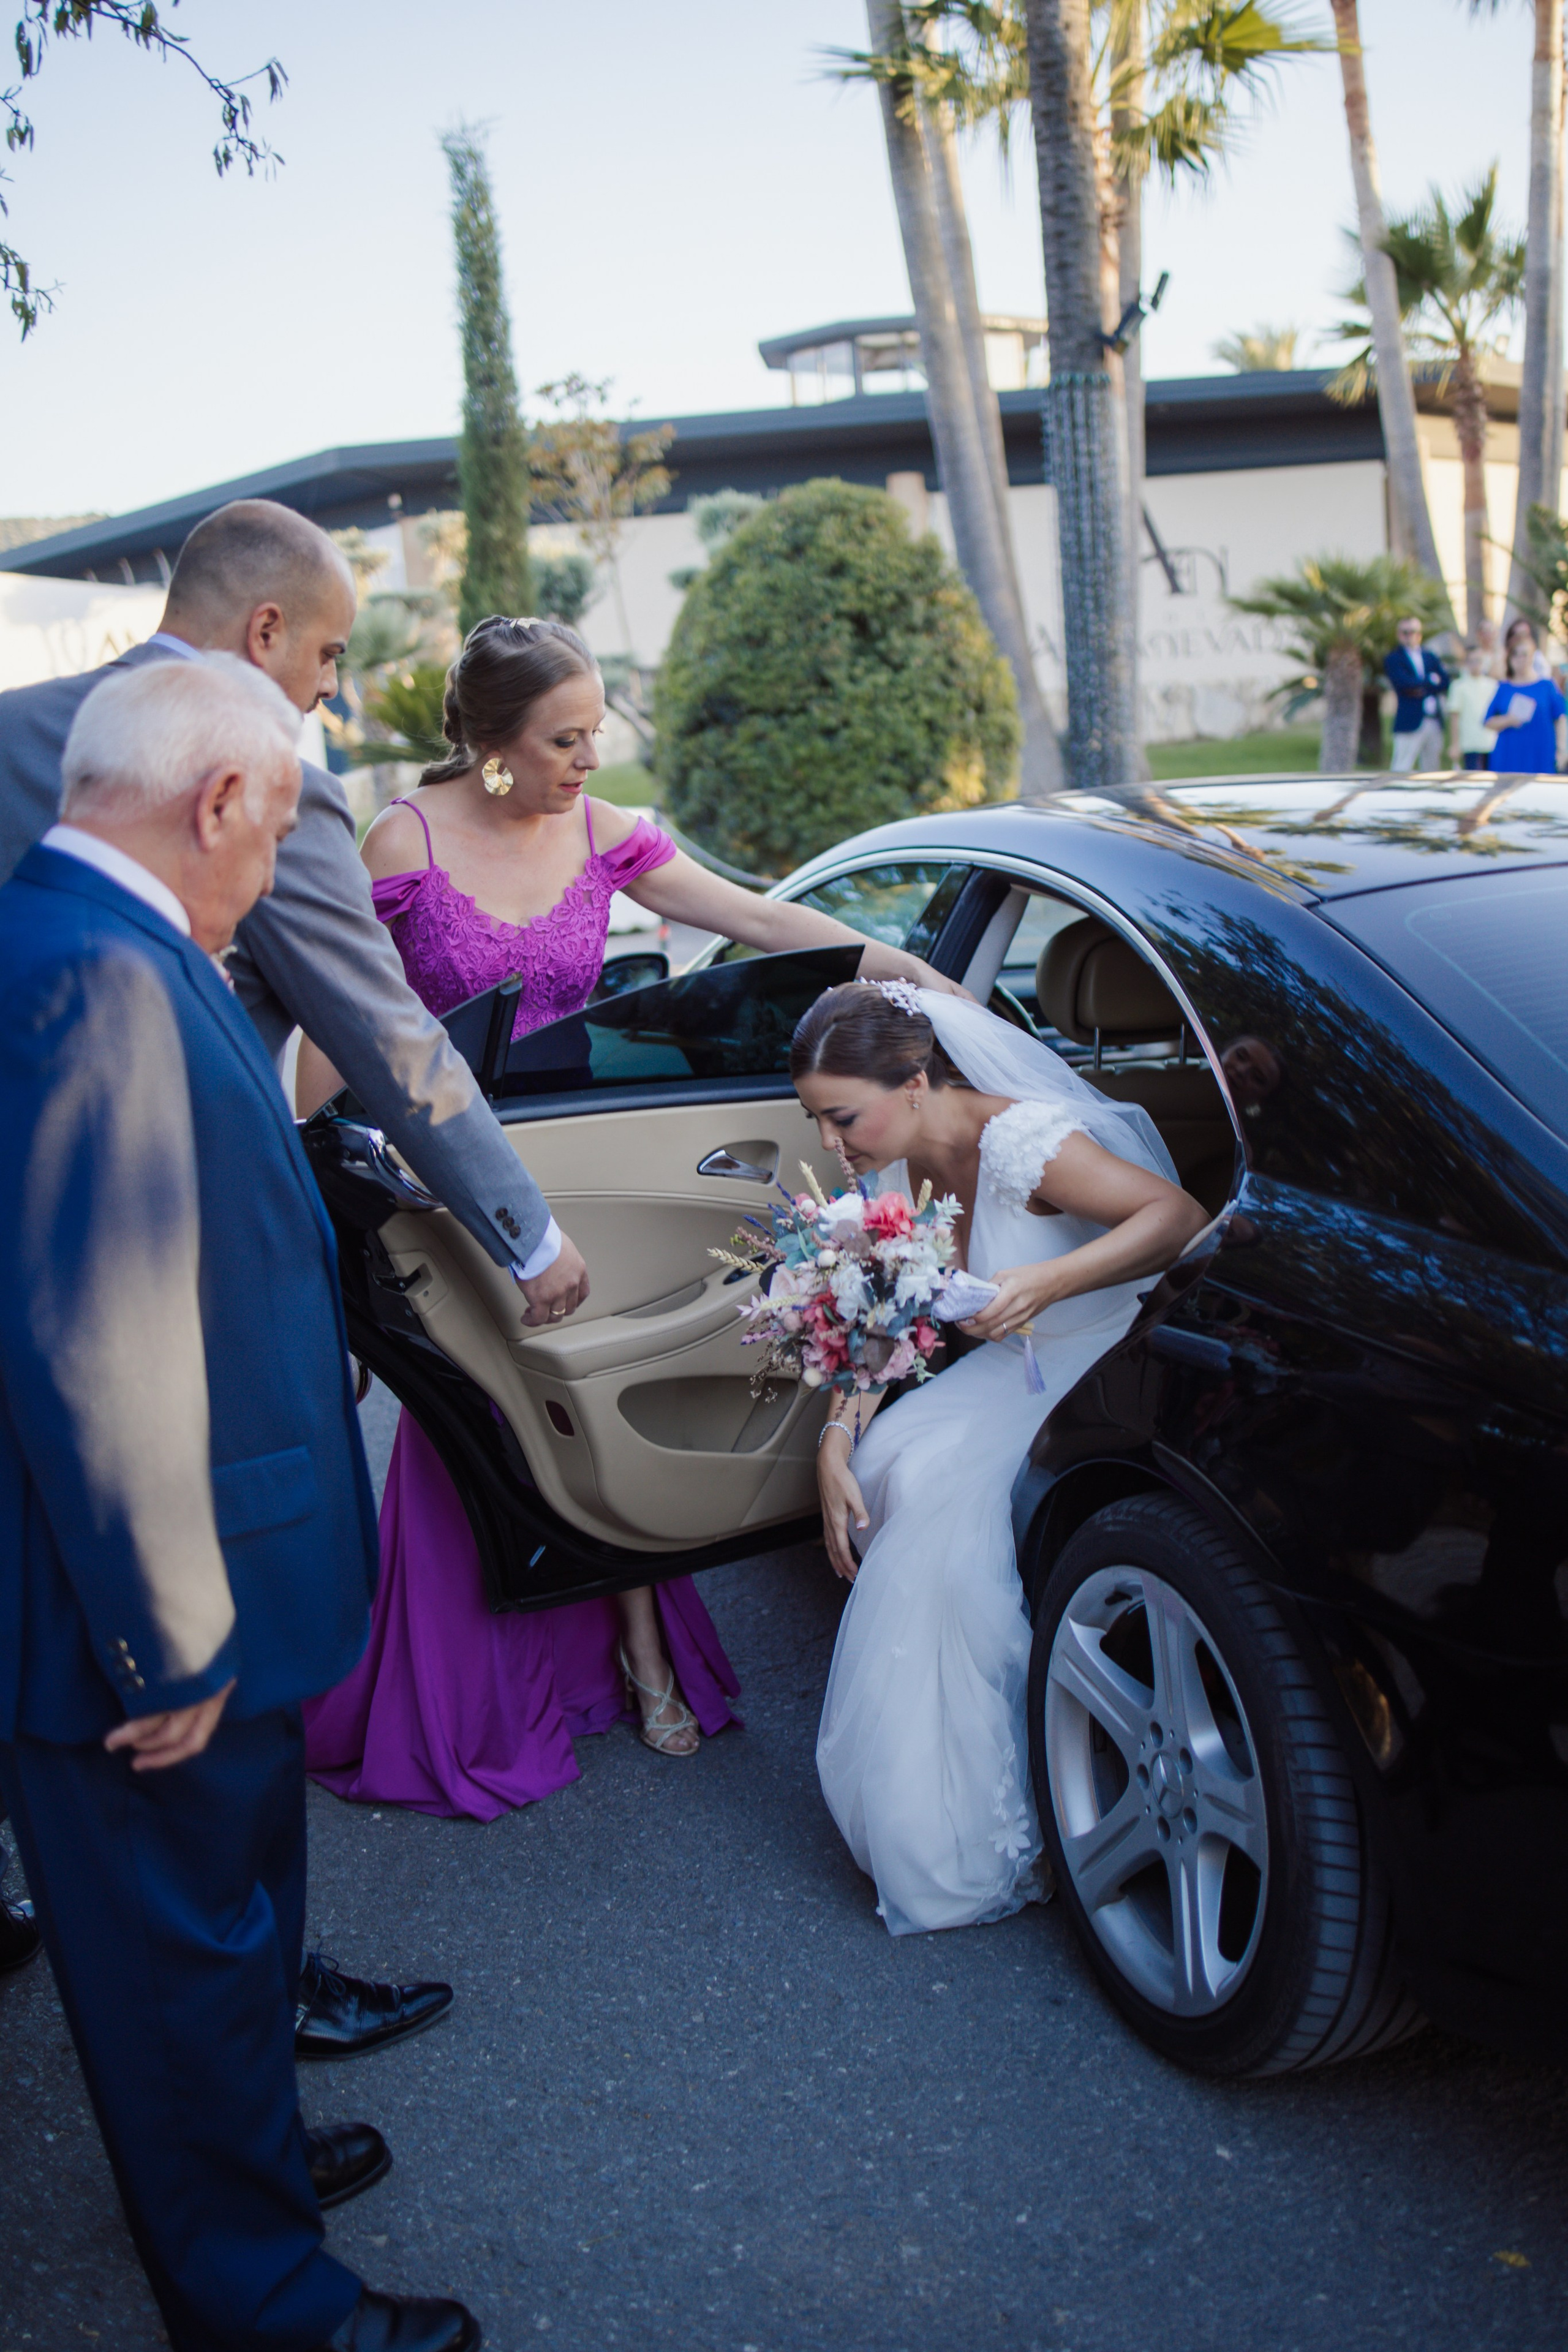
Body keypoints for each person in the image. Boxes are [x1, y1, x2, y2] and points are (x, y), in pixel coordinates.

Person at [0, 497, 549, 2057]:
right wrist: (531, 1236)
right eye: (324, 652)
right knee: (194, 1746)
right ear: (261, 639)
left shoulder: (10, 736)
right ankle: (252, 2008)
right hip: (161, 1303)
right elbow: (381, 1035)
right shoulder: (259, 772)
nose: (326, 688)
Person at [0, 657, 478, 2352]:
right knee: (177, 1966)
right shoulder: (89, 975)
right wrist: (173, 1639)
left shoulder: (110, 937)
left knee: (227, 1940)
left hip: (215, 1567)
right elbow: (94, 1335)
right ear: (216, 803)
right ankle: (263, 2301)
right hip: (152, 1613)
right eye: (275, 831)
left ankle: (243, 2164)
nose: (275, 872)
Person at [296, 616, 964, 1817]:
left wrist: (902, 970)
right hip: (444, 1180)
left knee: (591, 1407)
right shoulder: (401, 841)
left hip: (575, 1154)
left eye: (596, 730)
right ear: (493, 747)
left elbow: (759, 923)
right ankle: (484, 1689)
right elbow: (336, 1008)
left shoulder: (606, 834)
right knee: (485, 1421)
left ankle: (645, 1653)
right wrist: (289, 1153)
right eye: (564, 739)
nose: (587, 758)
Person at [790, 982, 1207, 1936]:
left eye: (842, 1117)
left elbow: (1176, 1218)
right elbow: (883, 1322)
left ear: (917, 1080)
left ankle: (976, 1825)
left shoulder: (1027, 1142)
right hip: (1016, 1370)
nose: (831, 1145)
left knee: (937, 1507)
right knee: (891, 1452)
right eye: (816, 1121)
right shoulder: (888, 1176)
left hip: (1103, 1360)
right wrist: (837, 1435)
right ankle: (956, 1763)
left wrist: (1050, 1277)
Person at [1483, 619, 1568, 773]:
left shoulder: (1546, 686)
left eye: (1524, 654)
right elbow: (1488, 721)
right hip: (1509, 756)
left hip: (1540, 755)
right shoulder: (1504, 688)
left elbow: (1560, 717)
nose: (1520, 659)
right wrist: (1508, 720)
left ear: (1532, 656)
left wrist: (1562, 750)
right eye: (1516, 655)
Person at [1384, 615, 1449, 772]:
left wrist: (1421, 687)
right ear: (1399, 634)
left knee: (1432, 769)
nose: (1409, 636)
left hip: (1433, 720)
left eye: (1413, 632)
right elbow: (1405, 684)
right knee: (1402, 767)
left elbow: (1445, 682)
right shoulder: (1394, 658)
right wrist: (1430, 681)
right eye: (1405, 632)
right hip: (1410, 721)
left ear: (1419, 634)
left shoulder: (1430, 656)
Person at [1447, 640, 1498, 770]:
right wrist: (1455, 744)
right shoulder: (1458, 686)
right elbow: (1454, 717)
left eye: (1479, 660)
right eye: (1472, 661)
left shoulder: (1494, 685)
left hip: (1491, 743)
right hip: (1470, 745)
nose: (1476, 664)